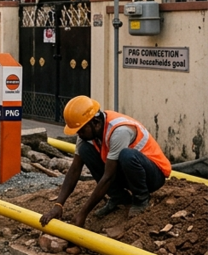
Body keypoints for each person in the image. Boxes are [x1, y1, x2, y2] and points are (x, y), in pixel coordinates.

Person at [40, 96, 171, 228]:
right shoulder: (88, 132)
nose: (79, 135)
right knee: (85, 150)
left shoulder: (119, 131)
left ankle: (141, 200)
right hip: (128, 173)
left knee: (126, 155)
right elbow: (75, 169)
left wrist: (82, 214)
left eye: (81, 130)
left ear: (95, 122)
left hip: (153, 176)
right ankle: (119, 197)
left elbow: (108, 177)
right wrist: (58, 205)